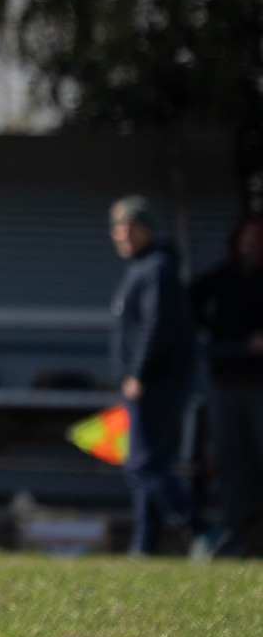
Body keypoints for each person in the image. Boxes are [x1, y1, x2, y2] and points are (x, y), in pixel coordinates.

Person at [108, 196, 210, 557]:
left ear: (148, 228)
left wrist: (139, 373)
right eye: (117, 227)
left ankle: (202, 529)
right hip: (145, 382)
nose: (123, 234)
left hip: (154, 383)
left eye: (131, 226)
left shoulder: (157, 269)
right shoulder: (141, 268)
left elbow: (158, 325)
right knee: (147, 467)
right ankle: (144, 547)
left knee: (143, 462)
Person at [189, 216, 263, 559]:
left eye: (256, 241)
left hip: (259, 385)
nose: (250, 247)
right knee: (229, 462)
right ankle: (232, 536)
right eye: (245, 240)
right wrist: (213, 333)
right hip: (224, 381)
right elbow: (188, 301)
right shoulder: (222, 277)